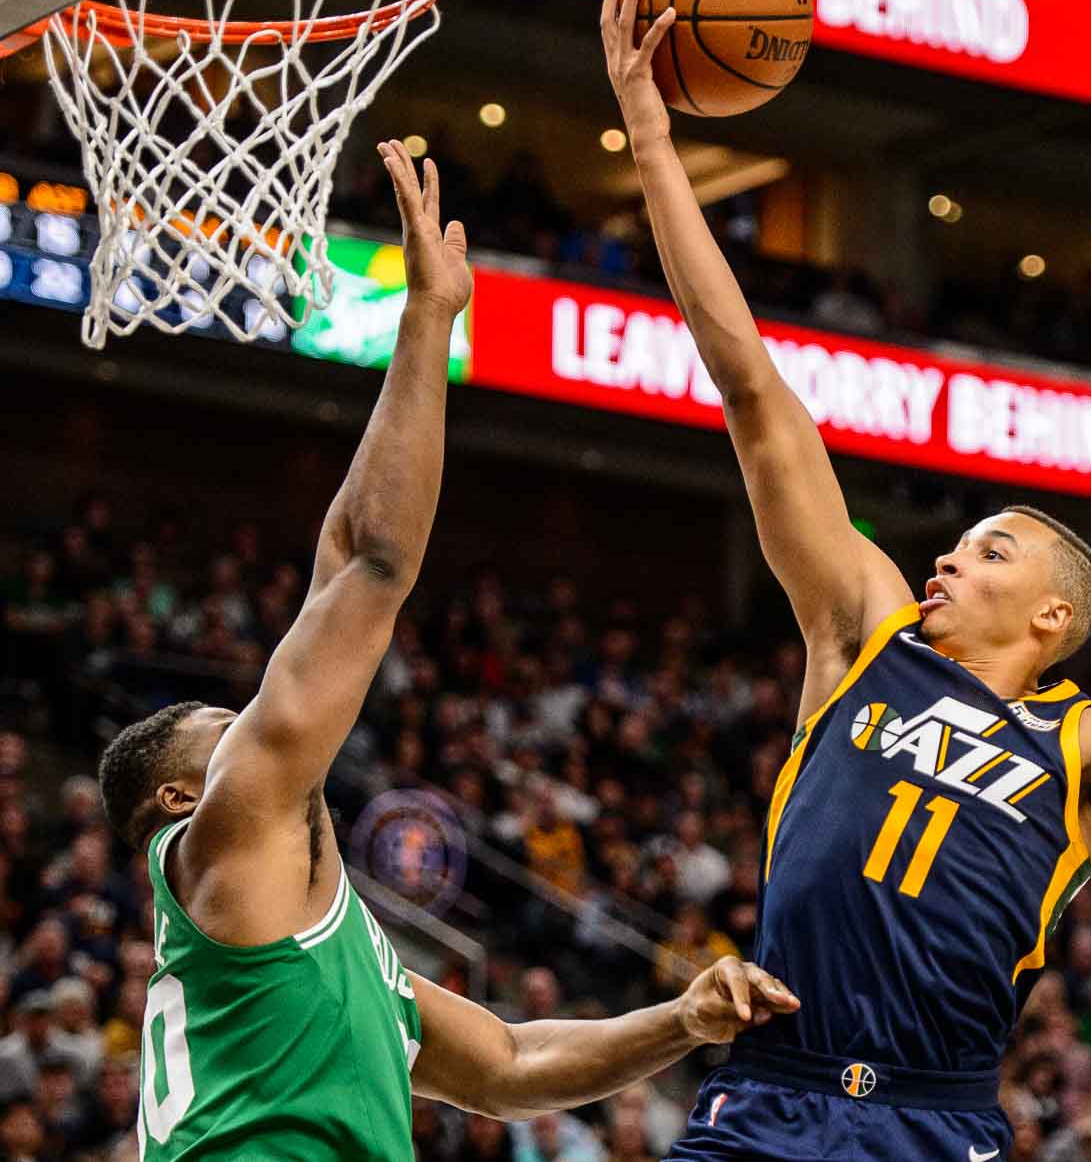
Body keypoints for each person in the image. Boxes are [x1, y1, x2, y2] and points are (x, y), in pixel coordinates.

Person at [601, 0, 1091, 1162]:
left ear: (1052, 612)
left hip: (932, 1115)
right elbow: (750, 391)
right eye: (951, 542)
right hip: (769, 1089)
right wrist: (646, 128)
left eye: (985, 548)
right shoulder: (862, 634)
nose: (944, 559)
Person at [95, 141, 799, 1161]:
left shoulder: (310, 934)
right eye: (227, 725)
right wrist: (426, 319)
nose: (255, 718)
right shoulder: (228, 826)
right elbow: (371, 569)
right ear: (175, 798)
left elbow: (510, 1065)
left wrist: (679, 1021)